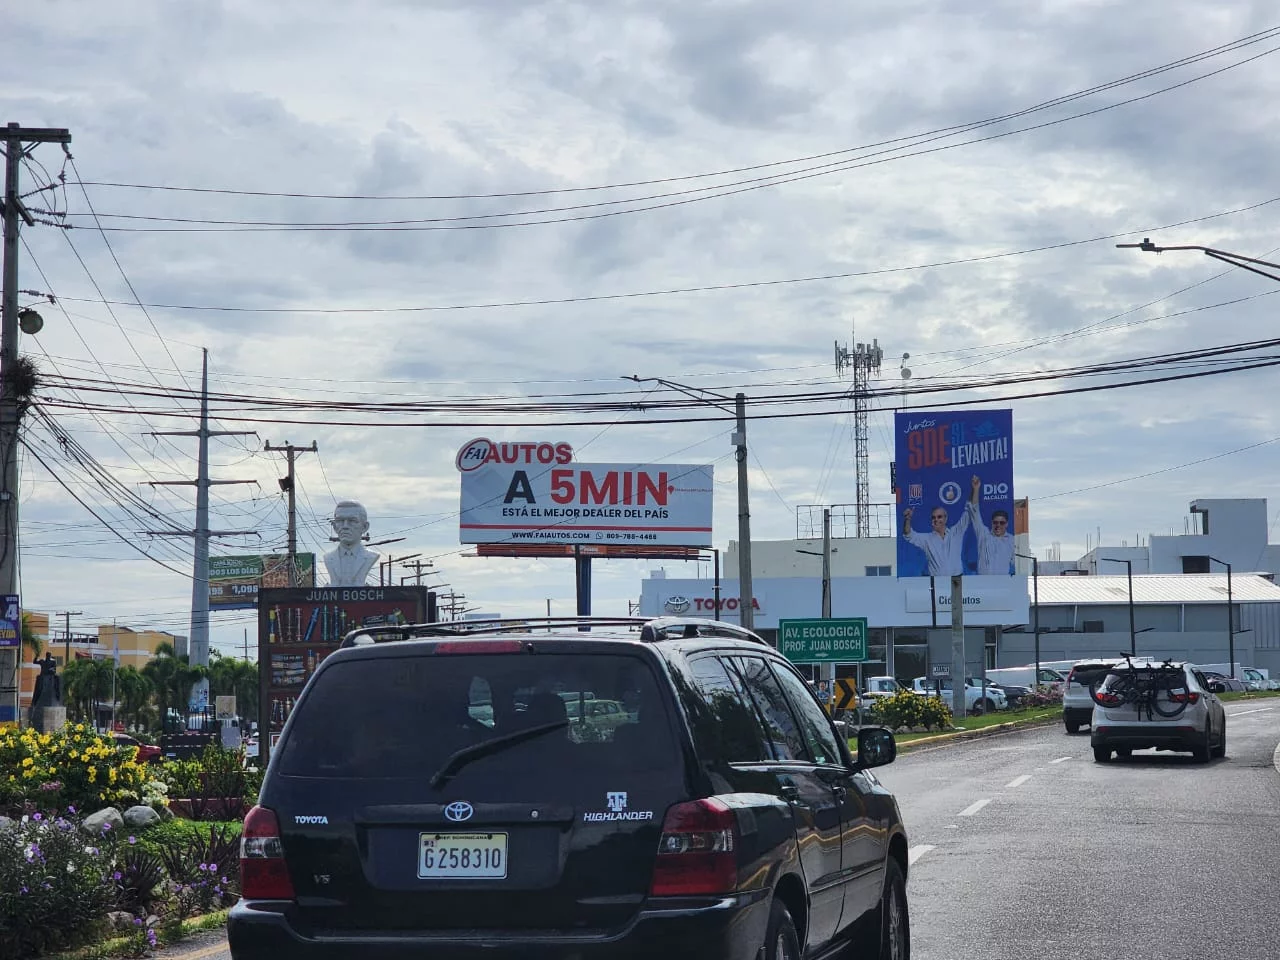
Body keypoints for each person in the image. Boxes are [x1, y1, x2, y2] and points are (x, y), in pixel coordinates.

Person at [902, 497, 971, 577]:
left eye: (939, 517)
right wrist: (907, 519)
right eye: (933, 517)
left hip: (957, 581)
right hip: (937, 582)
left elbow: (969, 512)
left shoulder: (956, 533)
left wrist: (975, 489)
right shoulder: (926, 539)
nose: (936, 519)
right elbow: (908, 534)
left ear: (946, 518)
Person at [967, 474, 1016, 575]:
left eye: (1001, 523)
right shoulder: (984, 535)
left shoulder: (1011, 540)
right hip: (983, 583)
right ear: (992, 523)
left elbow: (1014, 562)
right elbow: (974, 511)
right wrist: (976, 489)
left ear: (1006, 524)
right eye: (995, 522)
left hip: (1003, 583)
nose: (998, 525)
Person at [322, 500, 380, 586]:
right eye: (340, 521)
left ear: (364, 527)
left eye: (352, 521)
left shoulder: (370, 557)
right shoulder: (328, 558)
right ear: (334, 526)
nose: (345, 526)